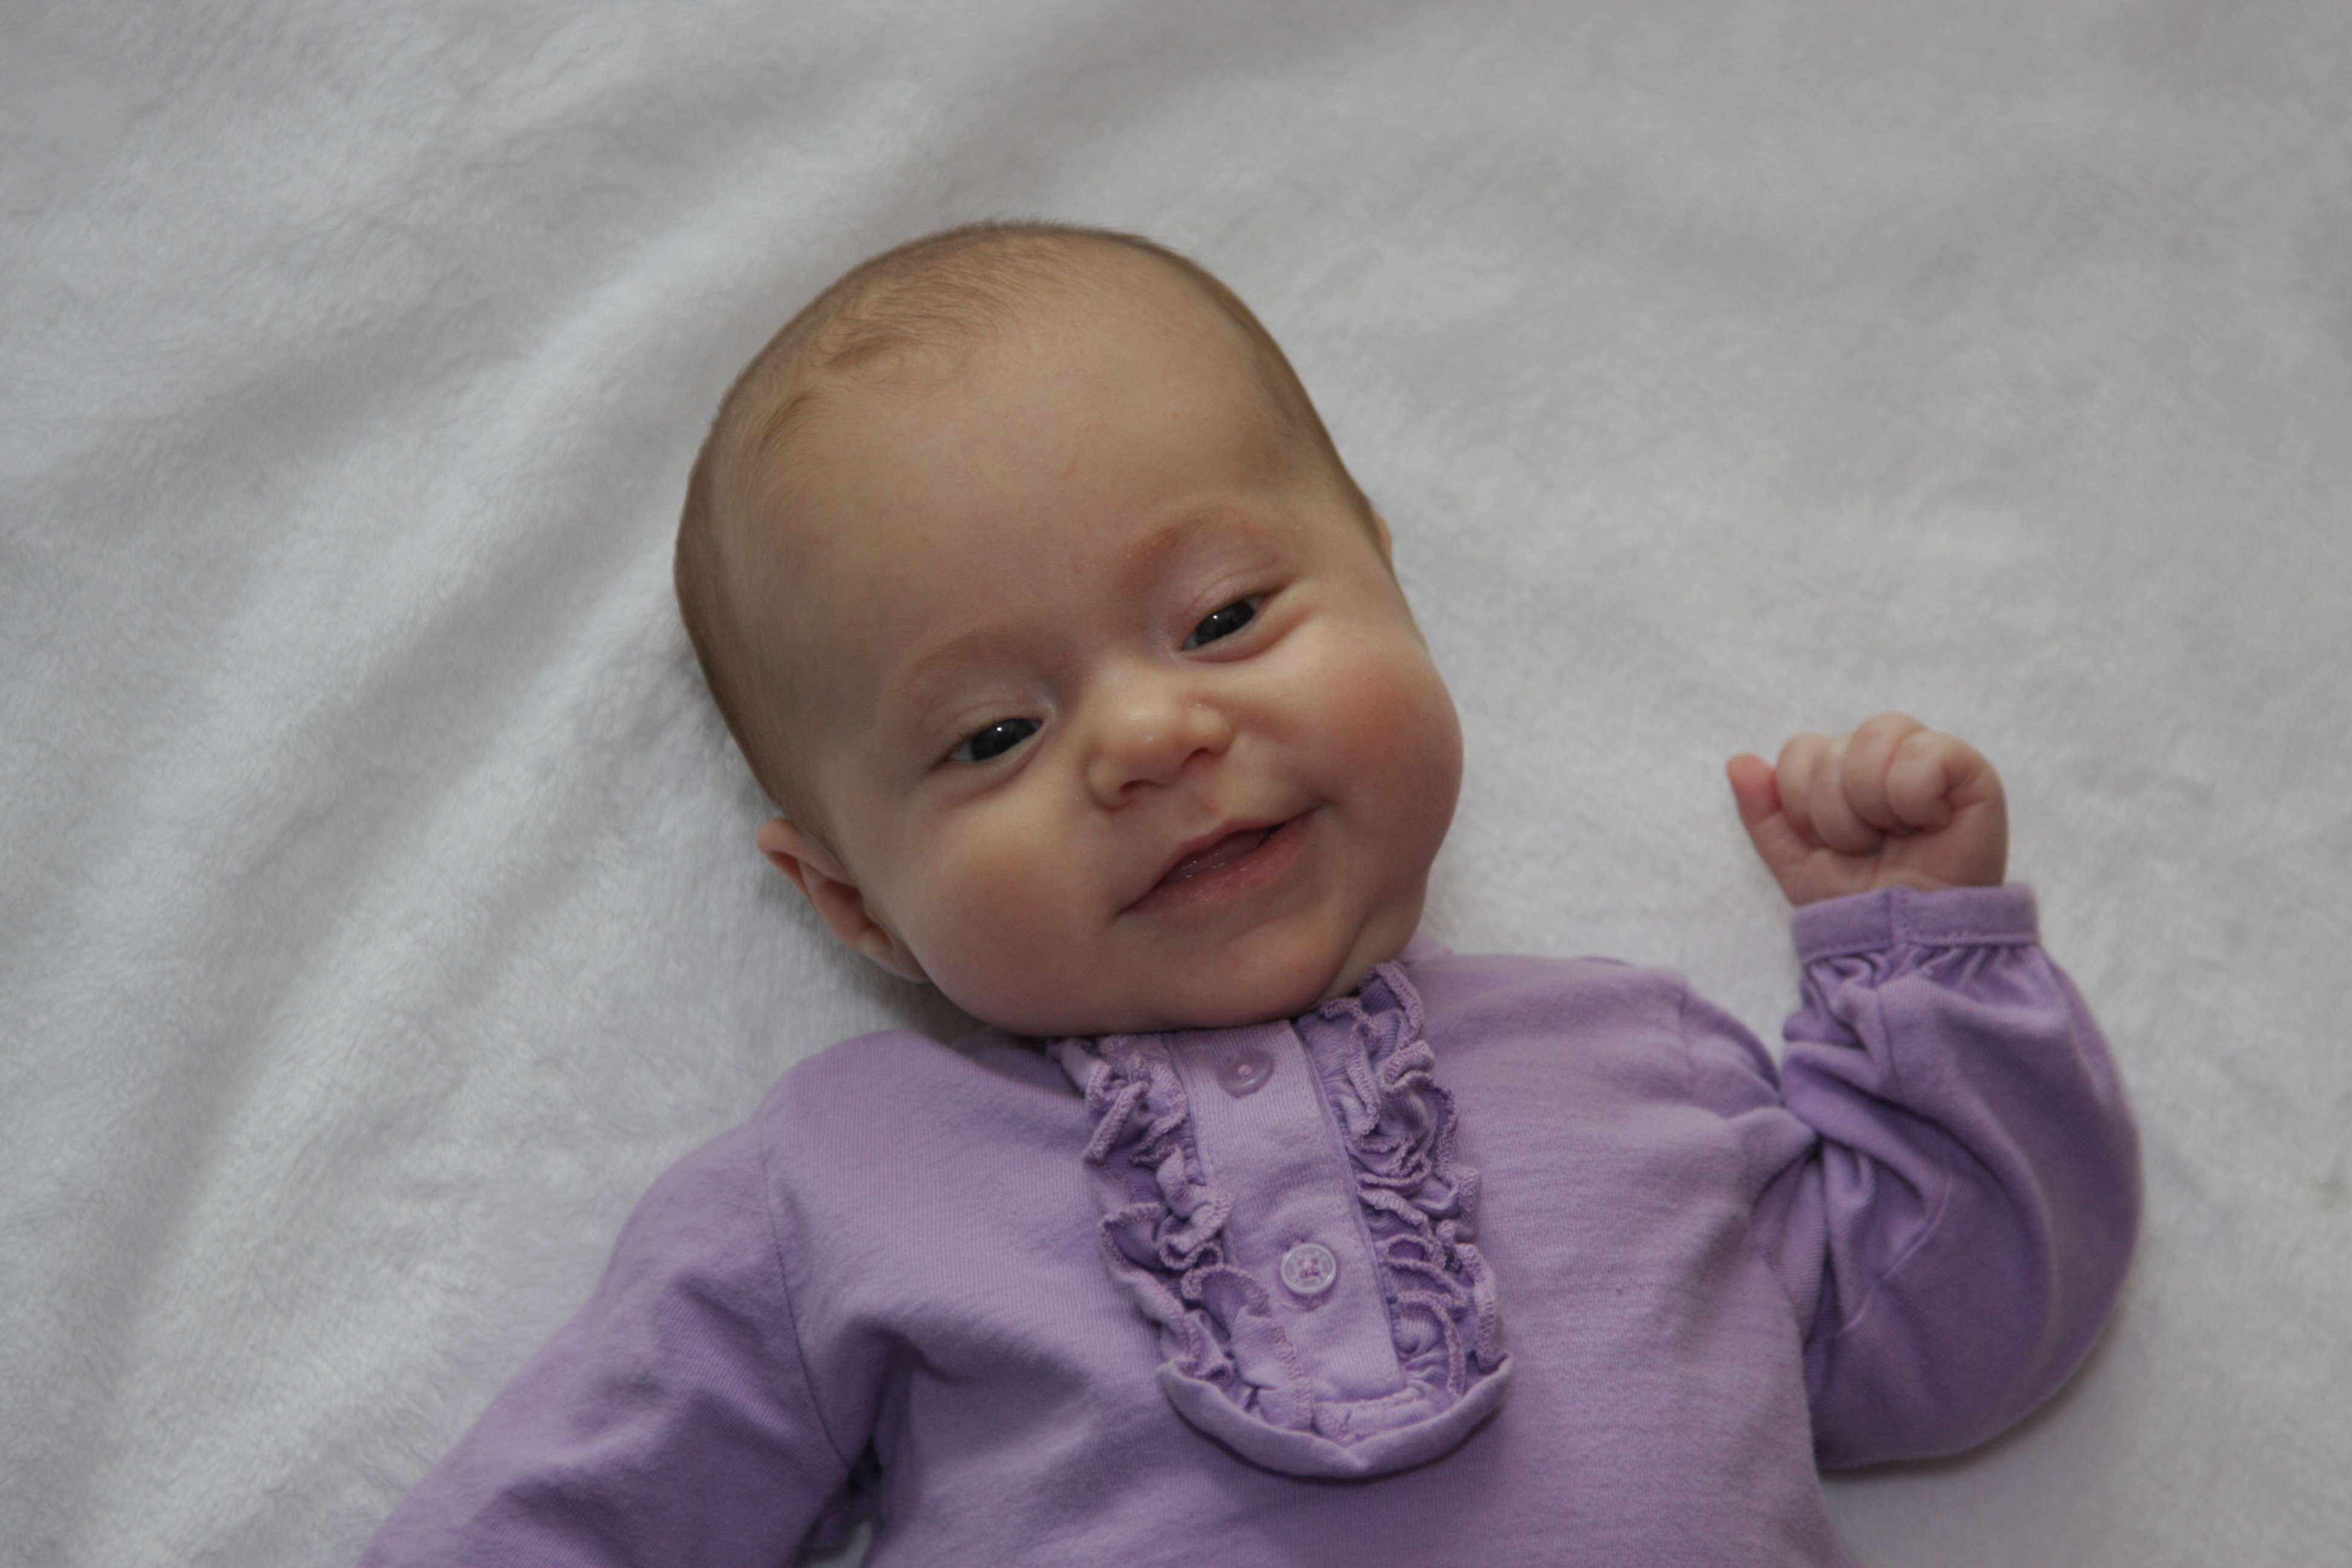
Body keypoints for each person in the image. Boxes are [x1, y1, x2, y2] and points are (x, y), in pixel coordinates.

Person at [360, 222, 2139, 1567]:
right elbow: (569, 1516)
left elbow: (1961, 1324)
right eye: (993, 734)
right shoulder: (840, 1184)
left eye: (1221, 617)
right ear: (855, 906)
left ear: (1391, 588)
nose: (1152, 735)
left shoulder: (1642, 1064)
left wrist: (1918, 969)